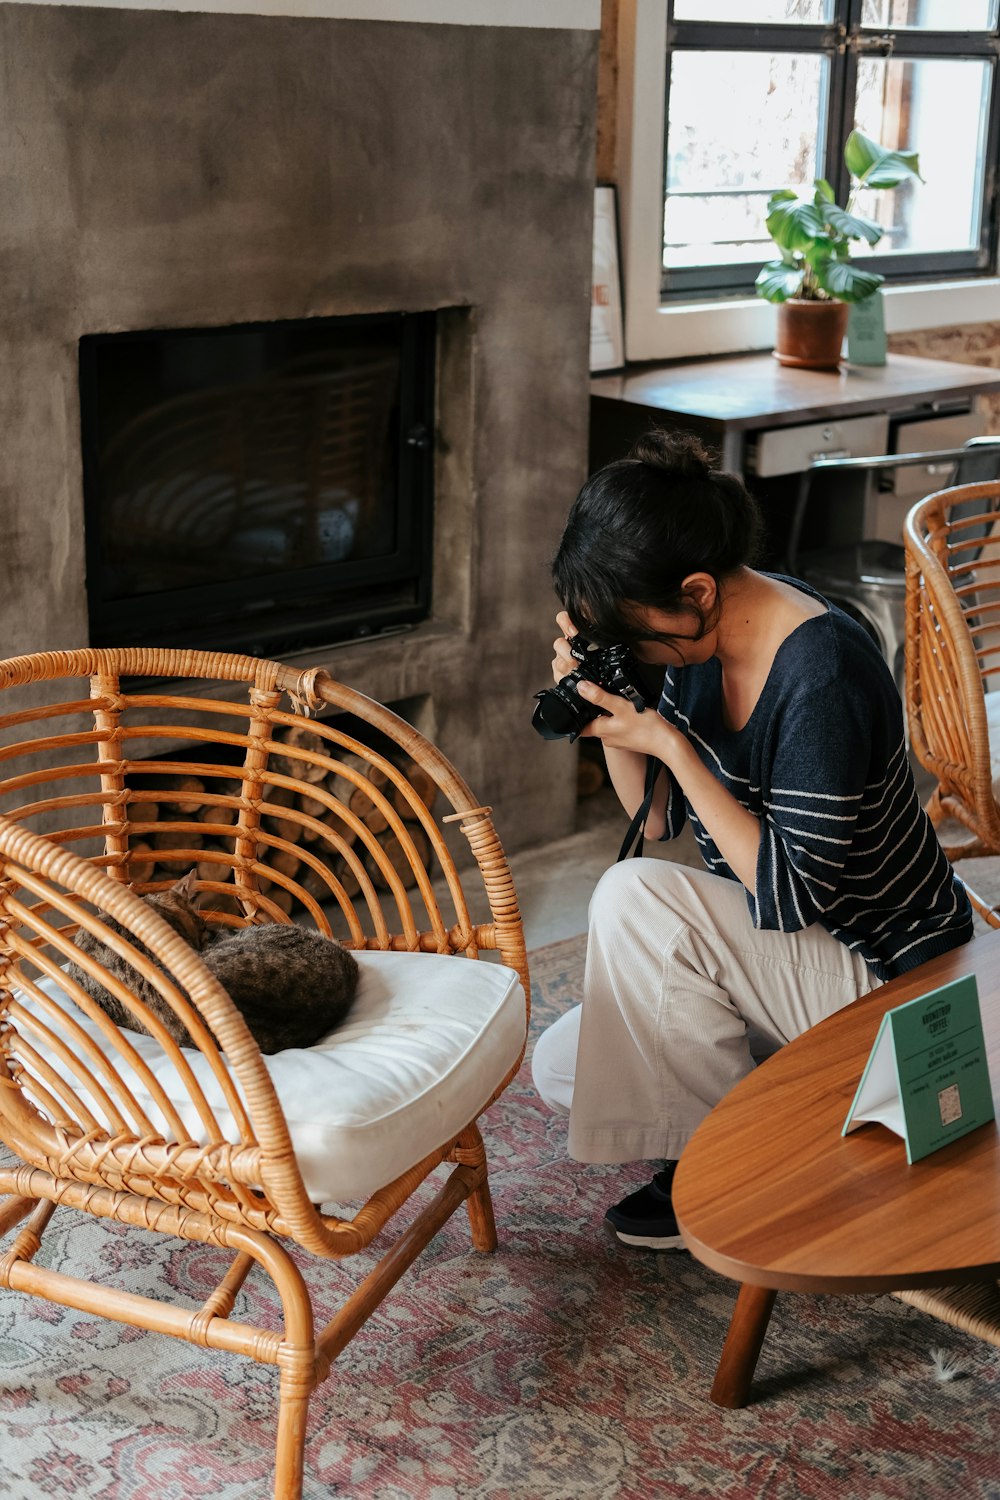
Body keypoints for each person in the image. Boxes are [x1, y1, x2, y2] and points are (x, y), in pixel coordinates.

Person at [530, 429, 973, 1251]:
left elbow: (790, 894)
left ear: (697, 591)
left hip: (895, 976)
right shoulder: (699, 636)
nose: (637, 652)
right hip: (807, 959)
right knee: (568, 1069)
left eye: (637, 634)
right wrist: (616, 716)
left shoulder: (821, 672)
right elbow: (655, 820)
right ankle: (789, 1111)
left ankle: (720, 1170)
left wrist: (669, 743)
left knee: (634, 899)